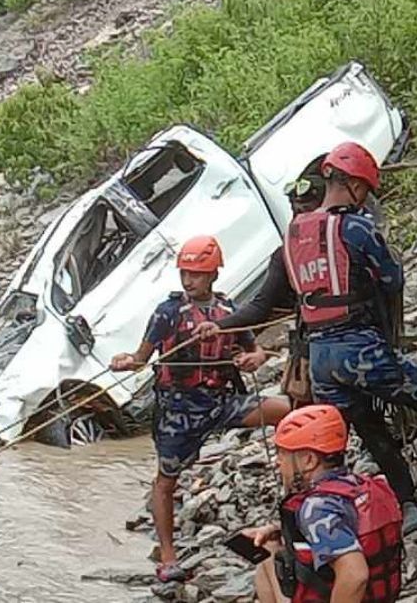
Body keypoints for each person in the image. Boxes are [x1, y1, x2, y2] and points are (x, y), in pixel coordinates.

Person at [282, 141, 417, 528]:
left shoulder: (294, 233)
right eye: (365, 192)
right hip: (359, 349)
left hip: (320, 357)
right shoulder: (354, 226)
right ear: (355, 185)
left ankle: (407, 504)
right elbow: (392, 277)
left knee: (369, 427)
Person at [110, 234, 290, 583]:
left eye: (196, 274)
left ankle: (294, 499)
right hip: (180, 409)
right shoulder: (167, 313)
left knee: (287, 412)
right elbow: (140, 358)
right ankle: (167, 555)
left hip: (222, 402)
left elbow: (254, 350)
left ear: (212, 275)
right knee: (166, 480)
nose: (188, 280)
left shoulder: (227, 311)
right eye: (184, 273)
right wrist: (124, 361)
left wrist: (253, 359)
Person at [244, 404, 404, 603]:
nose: (278, 462)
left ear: (309, 460)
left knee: (267, 557)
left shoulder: (317, 507)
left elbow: (355, 575)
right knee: (270, 544)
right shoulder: (361, 487)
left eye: (283, 454)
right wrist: (279, 531)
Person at [195, 177, 326, 405]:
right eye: (297, 212)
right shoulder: (286, 254)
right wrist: (220, 326)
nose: (300, 219)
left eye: (307, 211)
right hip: (315, 343)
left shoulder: (347, 235)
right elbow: (261, 307)